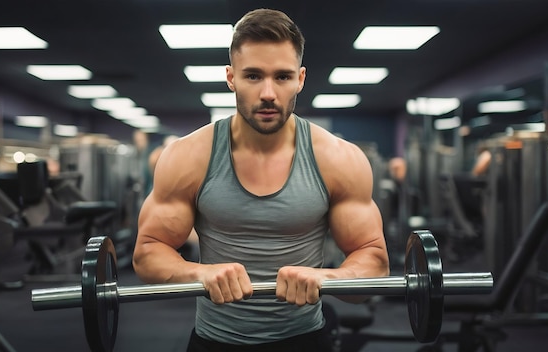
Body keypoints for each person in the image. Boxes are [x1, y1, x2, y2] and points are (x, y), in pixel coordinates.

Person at [132, 8, 389, 352]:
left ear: (300, 79)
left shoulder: (338, 159)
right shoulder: (188, 156)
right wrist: (199, 273)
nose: (268, 93)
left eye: (281, 77)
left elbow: (373, 261)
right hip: (215, 342)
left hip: (305, 340)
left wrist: (330, 278)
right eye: (253, 76)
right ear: (230, 77)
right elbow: (148, 253)